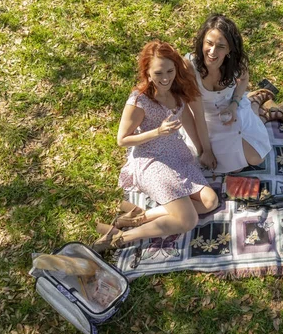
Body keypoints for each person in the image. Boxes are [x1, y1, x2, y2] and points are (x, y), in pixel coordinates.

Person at [94, 41, 219, 251]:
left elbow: (187, 119)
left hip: (176, 155)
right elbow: (122, 140)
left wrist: (202, 151)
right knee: (188, 220)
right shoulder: (139, 101)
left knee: (210, 202)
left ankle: (138, 218)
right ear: (148, 73)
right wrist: (157, 132)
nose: (165, 78)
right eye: (158, 73)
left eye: (170, 71)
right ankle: (119, 239)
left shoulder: (177, 90)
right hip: (151, 161)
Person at [183, 14, 283, 174]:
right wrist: (207, 150)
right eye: (208, 43)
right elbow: (198, 115)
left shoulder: (235, 64)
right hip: (205, 121)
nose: (212, 51)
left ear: (230, 49)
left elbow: (244, 78)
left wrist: (234, 104)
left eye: (220, 46)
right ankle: (258, 106)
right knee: (233, 167)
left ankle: (254, 104)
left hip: (232, 110)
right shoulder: (190, 68)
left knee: (256, 158)